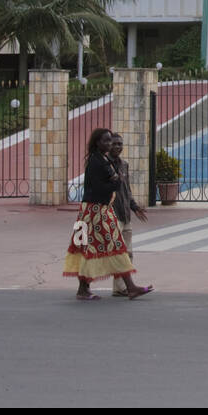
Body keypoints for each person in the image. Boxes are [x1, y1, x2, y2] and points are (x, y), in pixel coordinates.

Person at [63, 127, 153, 301]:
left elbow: (114, 185)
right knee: (104, 247)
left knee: (102, 247)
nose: (109, 144)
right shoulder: (97, 162)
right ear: (98, 143)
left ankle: (88, 289)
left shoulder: (102, 160)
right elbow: (97, 188)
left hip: (99, 210)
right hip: (94, 211)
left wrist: (116, 182)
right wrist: (115, 182)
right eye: (106, 140)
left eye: (110, 141)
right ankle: (127, 287)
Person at [107, 133, 149, 297]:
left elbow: (127, 190)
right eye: (114, 144)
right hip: (112, 214)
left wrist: (134, 206)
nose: (117, 147)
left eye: (120, 144)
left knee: (128, 253)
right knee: (118, 253)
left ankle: (120, 287)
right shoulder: (106, 165)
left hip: (125, 214)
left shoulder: (124, 165)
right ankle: (122, 286)